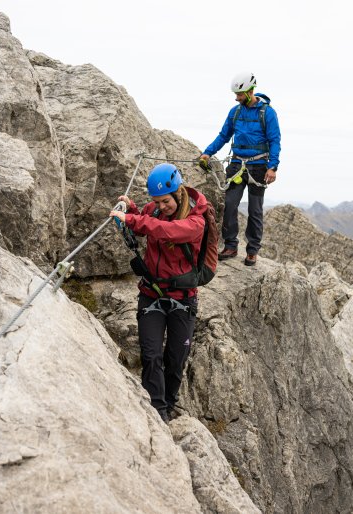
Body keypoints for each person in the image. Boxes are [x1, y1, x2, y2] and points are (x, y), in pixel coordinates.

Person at [110, 163, 206, 423]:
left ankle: (170, 402)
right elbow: (149, 221)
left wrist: (132, 219)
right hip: (151, 293)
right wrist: (131, 209)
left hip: (182, 299)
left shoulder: (196, 221)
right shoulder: (154, 210)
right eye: (157, 202)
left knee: (176, 359)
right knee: (151, 356)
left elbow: (166, 231)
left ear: (178, 193)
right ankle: (157, 410)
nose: (161, 207)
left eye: (165, 202)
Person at [200, 72, 281, 267]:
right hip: (237, 165)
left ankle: (252, 250)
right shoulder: (235, 112)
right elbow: (223, 136)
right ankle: (231, 245)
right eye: (236, 94)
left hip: (258, 167)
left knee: (255, 210)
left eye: (240, 94)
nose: (237, 98)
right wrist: (207, 153)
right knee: (229, 205)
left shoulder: (267, 113)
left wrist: (273, 167)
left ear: (251, 91)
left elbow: (275, 140)